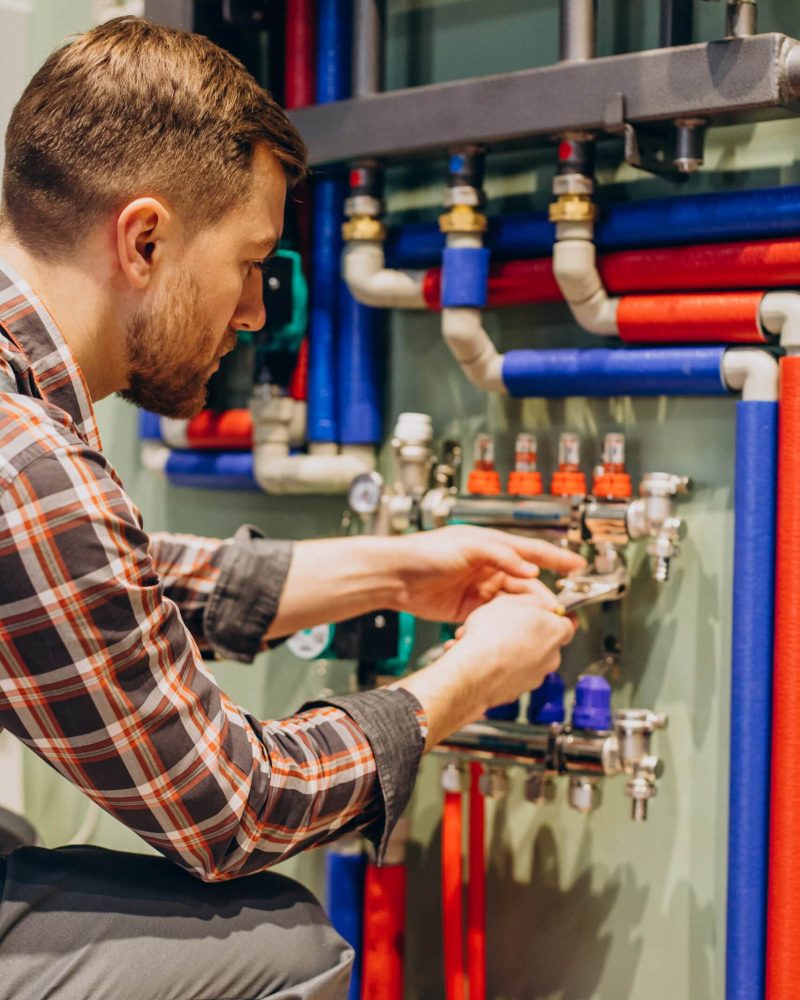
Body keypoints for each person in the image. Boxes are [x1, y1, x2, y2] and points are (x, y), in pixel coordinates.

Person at [0, 17, 581, 1000]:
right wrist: (460, 682)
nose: (258, 312)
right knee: (283, 945)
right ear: (143, 239)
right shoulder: (27, 461)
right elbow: (233, 809)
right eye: (249, 261)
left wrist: (399, 567)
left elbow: (114, 589)